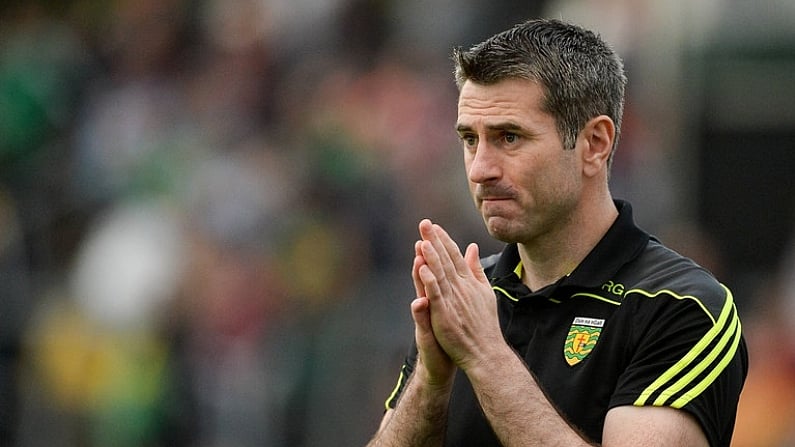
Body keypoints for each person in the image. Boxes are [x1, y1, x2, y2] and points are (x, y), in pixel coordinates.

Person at [366, 18, 747, 447]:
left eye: (509, 137)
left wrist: (486, 355)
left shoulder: (681, 307)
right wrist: (432, 380)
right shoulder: (470, 295)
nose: (480, 169)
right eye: (470, 139)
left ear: (595, 144)